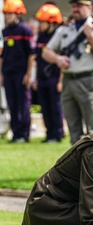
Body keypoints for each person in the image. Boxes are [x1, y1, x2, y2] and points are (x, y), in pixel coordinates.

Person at [42, 0, 93, 145]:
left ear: (89, 7)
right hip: (68, 80)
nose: (75, 9)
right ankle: (76, 164)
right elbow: (46, 52)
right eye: (74, 6)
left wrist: (90, 35)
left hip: (88, 80)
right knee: (73, 128)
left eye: (79, 6)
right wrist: (58, 59)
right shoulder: (65, 29)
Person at [0, 0, 36, 143]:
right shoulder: (5, 32)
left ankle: (24, 134)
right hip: (8, 73)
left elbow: (31, 55)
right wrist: (1, 74)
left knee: (23, 104)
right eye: (6, 14)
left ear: (17, 14)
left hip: (21, 74)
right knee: (12, 104)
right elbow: (2, 55)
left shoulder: (25, 30)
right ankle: (15, 134)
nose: (7, 17)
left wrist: (28, 75)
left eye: (10, 14)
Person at [33, 3, 64, 143]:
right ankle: (49, 133)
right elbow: (37, 59)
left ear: (51, 22)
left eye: (42, 22)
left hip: (54, 77)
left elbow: (63, 60)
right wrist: (36, 79)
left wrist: (61, 80)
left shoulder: (58, 37)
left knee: (55, 107)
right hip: (42, 77)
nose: (40, 24)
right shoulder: (40, 37)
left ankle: (57, 134)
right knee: (45, 107)